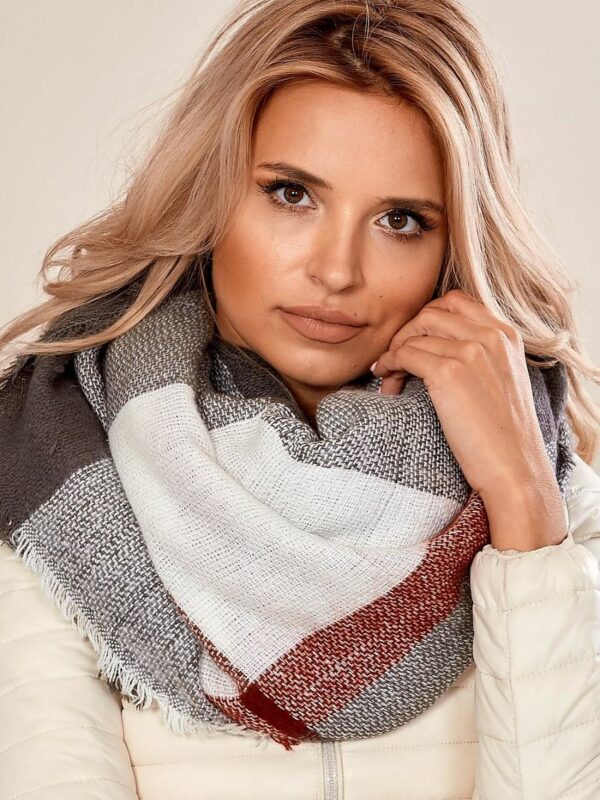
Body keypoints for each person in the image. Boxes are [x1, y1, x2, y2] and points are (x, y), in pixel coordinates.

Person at [1, 0, 599, 798]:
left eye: (400, 220)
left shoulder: (556, 503)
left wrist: (522, 503)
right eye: (291, 194)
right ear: (213, 196)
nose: (337, 270)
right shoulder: (53, 480)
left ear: (452, 246)